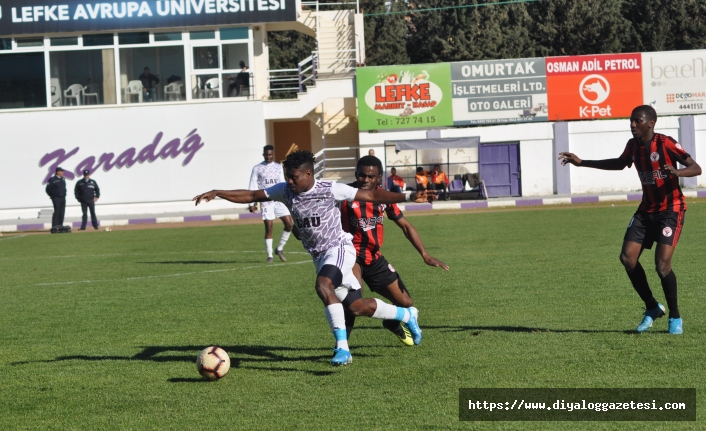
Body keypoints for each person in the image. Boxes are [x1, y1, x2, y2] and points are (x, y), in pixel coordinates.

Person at [192, 150, 434, 366]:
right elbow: (253, 195)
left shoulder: (330, 189)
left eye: (293, 177)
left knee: (323, 285)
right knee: (356, 307)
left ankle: (343, 349)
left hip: (340, 248)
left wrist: (410, 197)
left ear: (308, 174)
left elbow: (371, 197)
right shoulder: (285, 191)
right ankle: (406, 314)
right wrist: (219, 192)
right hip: (320, 256)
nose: (289, 181)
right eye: (287, 176)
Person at [559, 105, 701, 335]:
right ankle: (653, 307)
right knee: (627, 258)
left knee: (662, 266)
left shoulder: (665, 143)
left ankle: (675, 317)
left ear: (651, 123)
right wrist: (582, 162)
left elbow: (696, 168)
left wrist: (677, 173)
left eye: (637, 121)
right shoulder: (633, 146)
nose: (632, 124)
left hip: (670, 210)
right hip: (646, 210)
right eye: (631, 121)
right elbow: (619, 163)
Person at [341, 155, 449, 345]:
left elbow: (406, 226)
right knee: (353, 300)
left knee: (406, 303)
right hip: (351, 256)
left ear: (378, 178)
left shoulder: (384, 198)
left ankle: (392, 324)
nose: (365, 180)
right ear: (356, 174)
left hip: (374, 258)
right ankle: (341, 347)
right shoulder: (344, 195)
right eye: (361, 175)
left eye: (370, 176)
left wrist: (425, 254)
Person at [248, 145, 294, 263]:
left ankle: (279, 248)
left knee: (289, 224)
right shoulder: (257, 168)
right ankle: (270, 256)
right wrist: (251, 203)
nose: (268, 156)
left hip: (279, 200)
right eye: (266, 154)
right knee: (269, 228)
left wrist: (288, 197)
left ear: (273, 154)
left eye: (270, 154)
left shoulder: (278, 167)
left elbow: (282, 182)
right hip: (266, 201)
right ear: (263, 155)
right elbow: (252, 184)